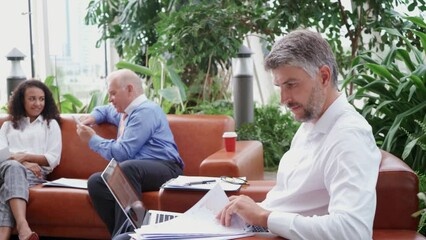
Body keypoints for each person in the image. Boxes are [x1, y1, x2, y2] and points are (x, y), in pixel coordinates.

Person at [217, 29, 381, 239]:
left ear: (323, 76)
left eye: (291, 85)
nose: (283, 99)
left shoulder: (348, 137)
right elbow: (292, 201)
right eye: (279, 86)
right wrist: (251, 211)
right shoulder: (311, 124)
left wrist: (264, 217)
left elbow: (352, 231)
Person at [76, 69, 184, 239]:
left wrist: (92, 139)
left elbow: (123, 153)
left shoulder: (145, 111)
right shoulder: (125, 111)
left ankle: (127, 235)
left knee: (125, 169)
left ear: (129, 89)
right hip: (137, 171)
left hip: (166, 167)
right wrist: (93, 117)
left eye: (113, 93)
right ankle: (123, 235)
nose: (110, 99)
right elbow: (104, 110)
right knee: (97, 181)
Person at [0, 80, 62, 240]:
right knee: (13, 168)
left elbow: (52, 159)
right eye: (32, 99)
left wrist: (25, 156)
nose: (38, 103)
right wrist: (25, 162)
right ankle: (23, 226)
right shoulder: (8, 126)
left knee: (9, 180)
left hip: (35, 175)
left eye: (41, 99)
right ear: (22, 100)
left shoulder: (50, 124)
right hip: (6, 169)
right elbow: (1, 155)